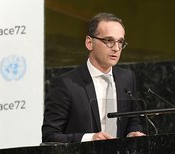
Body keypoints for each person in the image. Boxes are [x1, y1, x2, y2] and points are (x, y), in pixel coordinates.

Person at [42, 12, 145, 143]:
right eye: (109, 41)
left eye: (120, 42)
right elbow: (50, 135)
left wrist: (133, 133)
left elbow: (133, 120)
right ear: (89, 43)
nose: (116, 48)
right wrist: (90, 138)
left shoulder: (127, 78)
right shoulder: (66, 84)